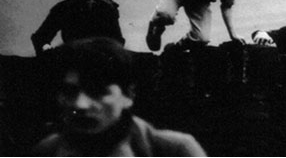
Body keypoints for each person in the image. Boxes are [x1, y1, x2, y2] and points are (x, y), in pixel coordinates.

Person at [32, 37, 207, 156]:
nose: (81, 105)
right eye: (70, 92)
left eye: (97, 91)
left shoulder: (174, 151)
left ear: (128, 95)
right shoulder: (46, 151)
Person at [31, 0, 124, 56]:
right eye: (77, 1)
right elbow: (41, 37)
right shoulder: (62, 8)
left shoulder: (105, 8)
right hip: (72, 53)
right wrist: (46, 49)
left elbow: (117, 39)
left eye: (85, 0)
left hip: (103, 52)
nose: (81, 5)